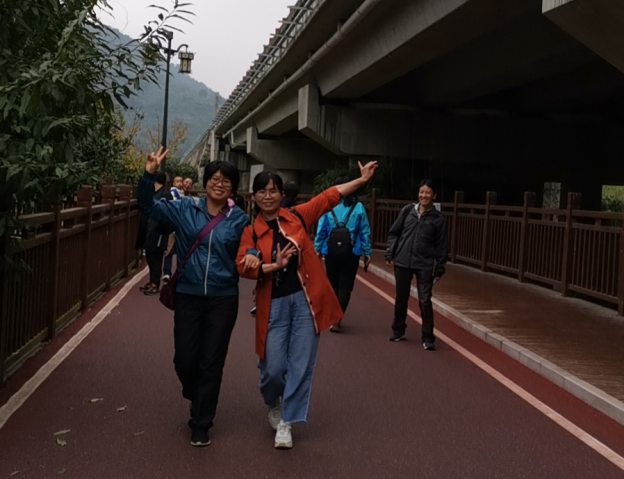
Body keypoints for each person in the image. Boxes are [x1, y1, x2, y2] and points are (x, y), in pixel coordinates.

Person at [237, 161, 377, 449]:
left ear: (281, 195)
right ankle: (273, 402)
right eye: (262, 191)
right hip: (273, 303)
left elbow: (328, 197)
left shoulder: (296, 217)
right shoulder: (251, 231)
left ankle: (286, 421)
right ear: (254, 197)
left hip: (305, 301)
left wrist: (361, 181)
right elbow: (243, 266)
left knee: (300, 363)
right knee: (272, 368)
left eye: (273, 191)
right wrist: (269, 266)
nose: (268, 196)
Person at [137, 147, 250, 447]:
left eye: (226, 180)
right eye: (214, 178)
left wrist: (252, 255)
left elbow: (249, 247)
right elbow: (146, 206)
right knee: (185, 360)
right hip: (188, 294)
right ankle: (194, 393)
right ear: (205, 181)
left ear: (233, 187)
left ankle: (201, 422)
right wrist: (148, 175)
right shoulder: (185, 208)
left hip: (223, 298)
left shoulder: (239, 219)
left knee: (212, 361)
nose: (219, 183)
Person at [385, 180, 447, 350]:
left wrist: (439, 269)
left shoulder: (438, 219)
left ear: (434, 196)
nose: (423, 196)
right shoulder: (408, 211)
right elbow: (394, 232)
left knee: (425, 300)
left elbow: (441, 246)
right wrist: (390, 252)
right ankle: (398, 330)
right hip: (403, 260)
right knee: (401, 297)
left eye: (427, 193)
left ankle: (428, 337)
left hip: (424, 264)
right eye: (421, 192)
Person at [314, 177, 372, 332]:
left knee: (333, 285)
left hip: (331, 251)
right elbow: (364, 232)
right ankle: (338, 317)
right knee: (346, 286)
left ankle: (333, 317)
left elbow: (321, 230)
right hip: (351, 252)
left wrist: (317, 249)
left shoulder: (329, 206)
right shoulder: (358, 207)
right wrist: (367, 253)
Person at [140, 171, 170, 296]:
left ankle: (155, 284)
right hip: (149, 229)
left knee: (156, 257)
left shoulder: (165, 194)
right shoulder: (152, 193)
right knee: (149, 255)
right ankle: (152, 280)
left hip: (159, 231)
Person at [163, 176, 185, 282]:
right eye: (177, 181)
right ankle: (167, 272)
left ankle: (178, 273)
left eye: (181, 181)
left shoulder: (183, 193)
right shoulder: (172, 193)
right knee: (169, 249)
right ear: (173, 183)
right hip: (173, 226)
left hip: (180, 226)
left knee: (180, 250)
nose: (180, 183)